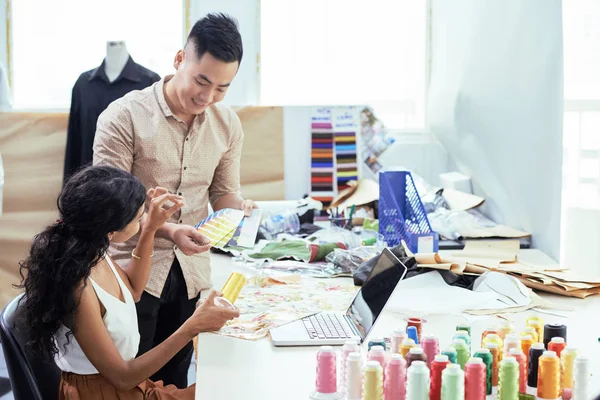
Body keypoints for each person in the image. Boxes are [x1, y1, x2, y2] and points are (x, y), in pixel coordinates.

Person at [92, 13, 254, 388]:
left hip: (191, 275)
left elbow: (224, 191)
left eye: (222, 88)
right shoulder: (123, 118)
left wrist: (236, 214)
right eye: (202, 80)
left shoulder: (227, 124)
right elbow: (109, 209)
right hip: (130, 274)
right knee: (130, 384)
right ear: (180, 59)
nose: (207, 96)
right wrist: (169, 229)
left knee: (174, 381)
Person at [17, 166, 239, 399]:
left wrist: (150, 229)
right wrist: (192, 326)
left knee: (224, 387)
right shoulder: (78, 288)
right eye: (138, 218)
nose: (142, 219)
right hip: (102, 392)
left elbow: (132, 290)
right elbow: (122, 377)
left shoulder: (93, 252)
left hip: (125, 385)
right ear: (111, 231)